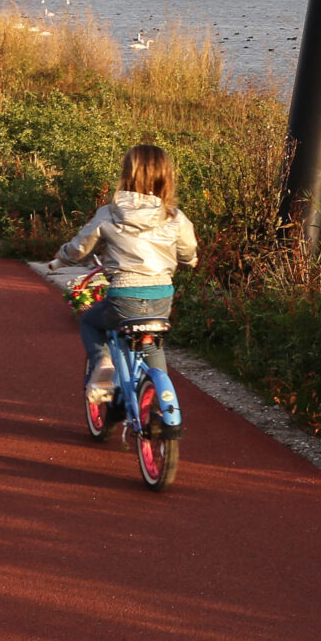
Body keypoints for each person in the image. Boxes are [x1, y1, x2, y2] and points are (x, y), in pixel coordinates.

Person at [56, 145, 198, 433]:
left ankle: (103, 363)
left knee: (91, 322)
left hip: (123, 297)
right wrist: (190, 259)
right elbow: (188, 252)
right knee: (152, 340)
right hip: (161, 298)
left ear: (126, 175)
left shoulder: (109, 213)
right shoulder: (174, 216)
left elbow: (80, 247)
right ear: (166, 177)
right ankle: (156, 395)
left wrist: (62, 258)